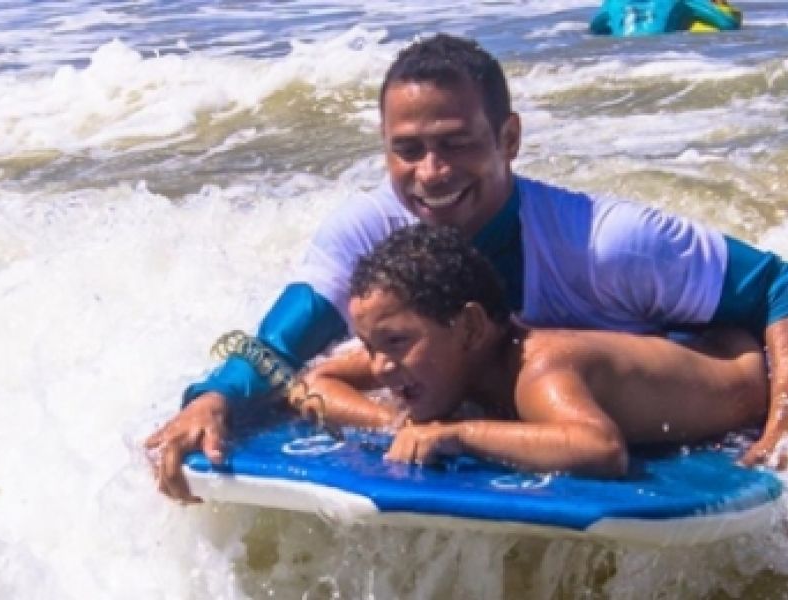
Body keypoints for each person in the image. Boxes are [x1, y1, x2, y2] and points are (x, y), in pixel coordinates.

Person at [146, 33, 788, 502]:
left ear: (508, 138)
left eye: (455, 143)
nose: (431, 173)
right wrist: (215, 397)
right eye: (408, 150)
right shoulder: (368, 235)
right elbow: (287, 348)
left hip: (684, 385)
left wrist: (783, 413)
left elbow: (777, 284)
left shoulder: (607, 244)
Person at [287, 224, 767, 476]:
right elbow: (312, 383)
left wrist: (457, 434)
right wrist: (395, 424)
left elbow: (601, 449)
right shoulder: (438, 354)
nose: (380, 367)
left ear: (470, 326)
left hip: (747, 370)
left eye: (395, 342)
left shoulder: (539, 371)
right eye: (369, 346)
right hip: (686, 346)